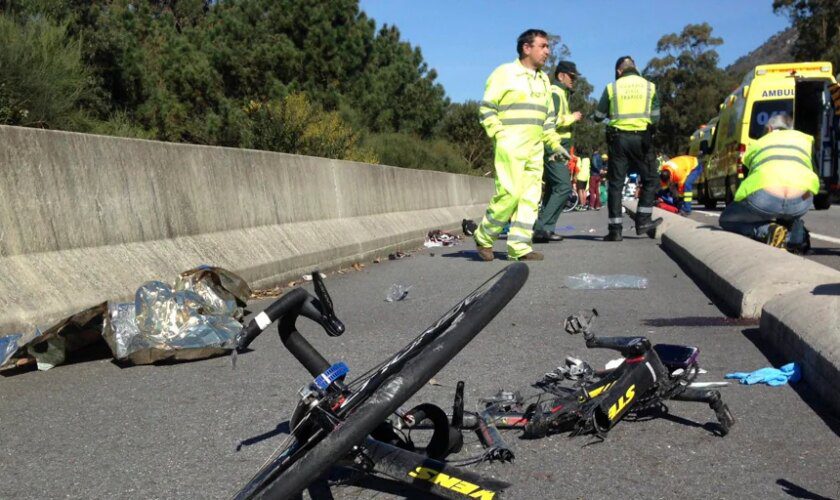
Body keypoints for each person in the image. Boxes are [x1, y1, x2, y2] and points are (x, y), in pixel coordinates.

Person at [475, 29, 569, 261]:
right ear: (527, 48)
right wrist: (499, 135)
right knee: (510, 193)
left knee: (529, 198)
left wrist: (555, 144)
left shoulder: (544, 80)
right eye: (543, 46)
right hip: (511, 146)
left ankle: (519, 247)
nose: (547, 51)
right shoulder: (504, 73)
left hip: (535, 149)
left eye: (548, 47)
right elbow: (486, 109)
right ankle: (484, 236)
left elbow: (548, 119)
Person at [719, 113, 818, 251]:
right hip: (800, 201)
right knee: (789, 210)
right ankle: (796, 235)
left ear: (770, 129)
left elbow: (748, 177)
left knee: (727, 220)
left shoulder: (757, 144)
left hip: (765, 200)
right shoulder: (805, 141)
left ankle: (767, 230)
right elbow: (815, 173)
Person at [594, 56, 663, 241]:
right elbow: (656, 117)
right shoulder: (650, 87)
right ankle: (643, 221)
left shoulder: (612, 88)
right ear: (635, 68)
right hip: (642, 139)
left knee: (616, 184)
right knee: (650, 179)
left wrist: (611, 118)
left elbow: (598, 115)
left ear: (619, 71)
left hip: (618, 140)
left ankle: (615, 230)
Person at [533, 60, 583, 243]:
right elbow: (550, 120)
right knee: (563, 187)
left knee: (554, 188)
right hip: (553, 147)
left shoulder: (561, 93)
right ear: (561, 75)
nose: (573, 81)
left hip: (558, 147)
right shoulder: (555, 93)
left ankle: (545, 229)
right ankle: (541, 228)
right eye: (571, 77)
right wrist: (572, 117)